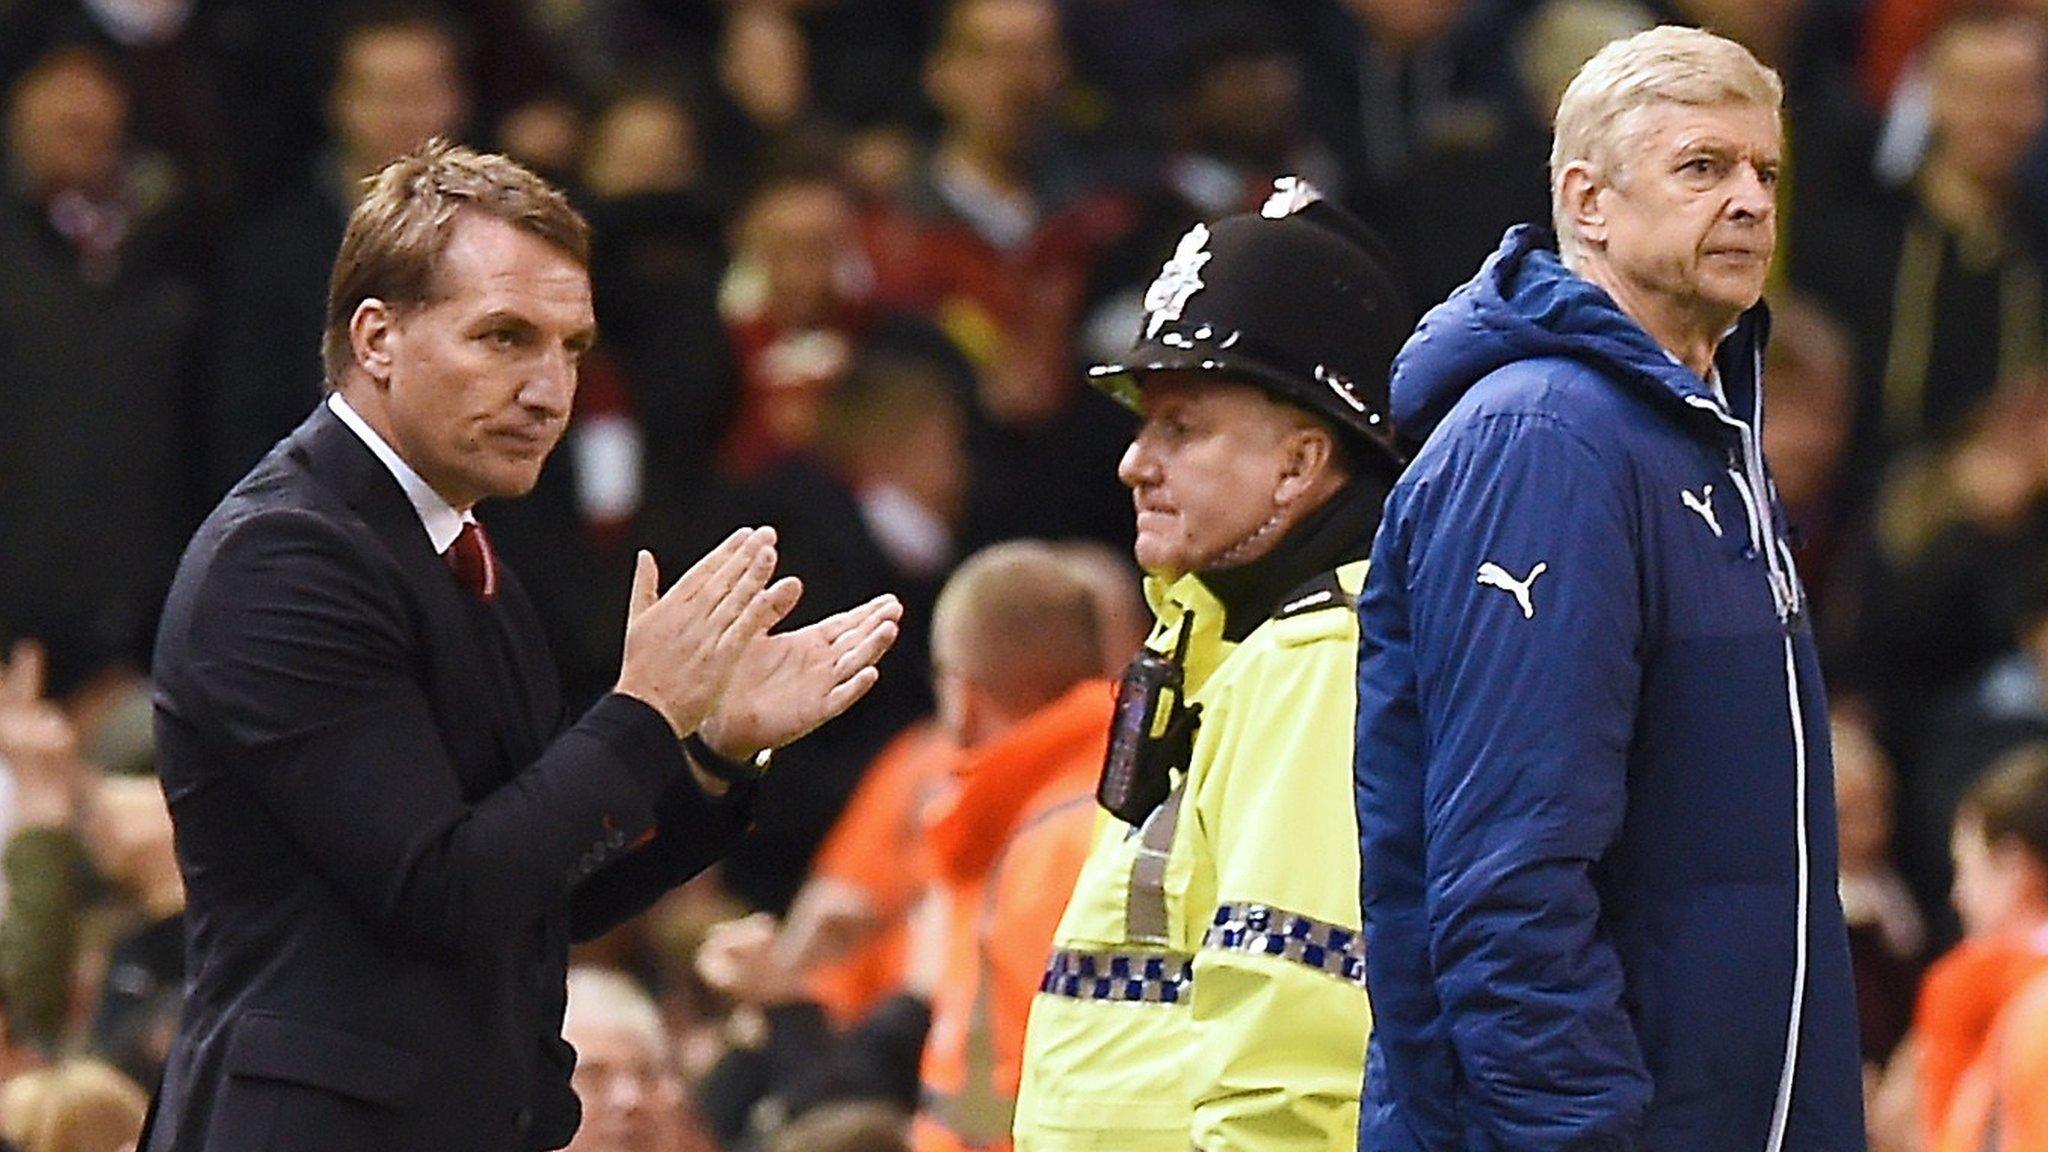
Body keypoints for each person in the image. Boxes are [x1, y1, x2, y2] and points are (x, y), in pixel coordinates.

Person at [145, 140, 900, 1152]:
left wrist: (707, 749)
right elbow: (443, 890)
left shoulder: (460, 551)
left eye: (570, 347)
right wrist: (644, 713)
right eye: (504, 338)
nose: (550, 391)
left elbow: (540, 893)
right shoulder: (285, 559)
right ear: (376, 338)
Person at [1354, 25, 1865, 1151]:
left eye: (1763, 172)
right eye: (1700, 168)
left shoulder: (1701, 441)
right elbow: (1508, 879)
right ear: (1585, 202)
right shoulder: (1543, 441)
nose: (1747, 202)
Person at [1011, 178, 1411, 1150]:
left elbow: (1297, 1054)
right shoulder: (1216, 644)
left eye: (1180, 428)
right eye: (1141, 423)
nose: (1133, 463)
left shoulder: (1315, 657)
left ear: (1299, 463)